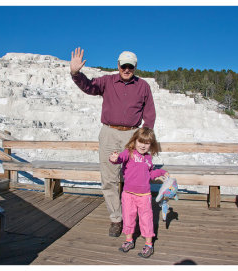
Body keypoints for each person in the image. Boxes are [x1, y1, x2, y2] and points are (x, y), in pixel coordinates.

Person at [70, 47, 156, 237]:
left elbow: (149, 113)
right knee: (109, 179)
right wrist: (76, 73)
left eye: (130, 67)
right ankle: (116, 219)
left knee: (132, 178)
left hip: (132, 135)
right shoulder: (107, 81)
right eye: (123, 66)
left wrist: (144, 136)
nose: (126, 69)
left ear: (135, 68)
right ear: (117, 65)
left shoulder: (143, 86)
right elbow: (89, 86)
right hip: (109, 134)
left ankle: (132, 216)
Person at [109, 127, 169, 258]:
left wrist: (161, 172)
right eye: (140, 142)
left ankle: (149, 244)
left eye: (147, 143)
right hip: (128, 194)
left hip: (144, 195)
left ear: (151, 144)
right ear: (135, 141)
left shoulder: (148, 158)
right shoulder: (129, 153)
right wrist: (114, 158)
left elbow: (150, 173)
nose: (143, 145)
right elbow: (120, 158)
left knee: (146, 219)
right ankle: (129, 240)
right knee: (128, 217)